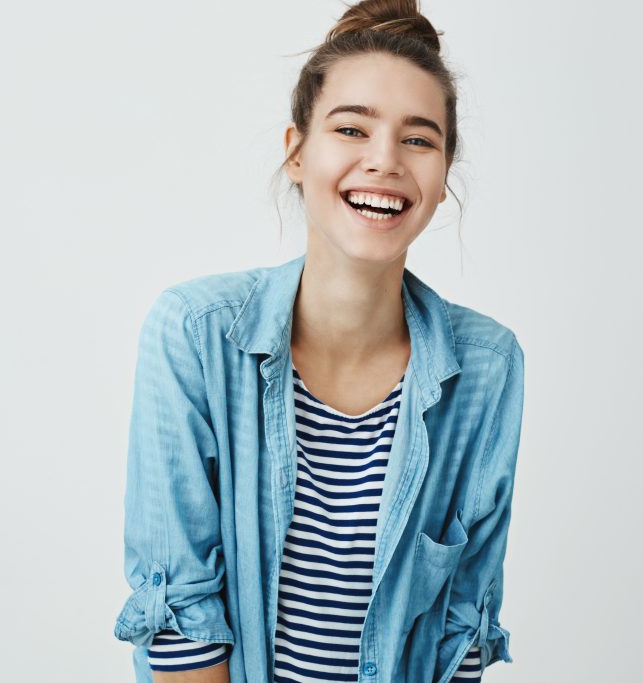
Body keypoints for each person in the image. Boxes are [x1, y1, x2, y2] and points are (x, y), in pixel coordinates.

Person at [113, 1, 526, 681]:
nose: (385, 160)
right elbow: (180, 613)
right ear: (298, 152)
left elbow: (462, 634)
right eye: (352, 128)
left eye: (419, 139)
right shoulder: (193, 334)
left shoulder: (488, 367)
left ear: (443, 177)